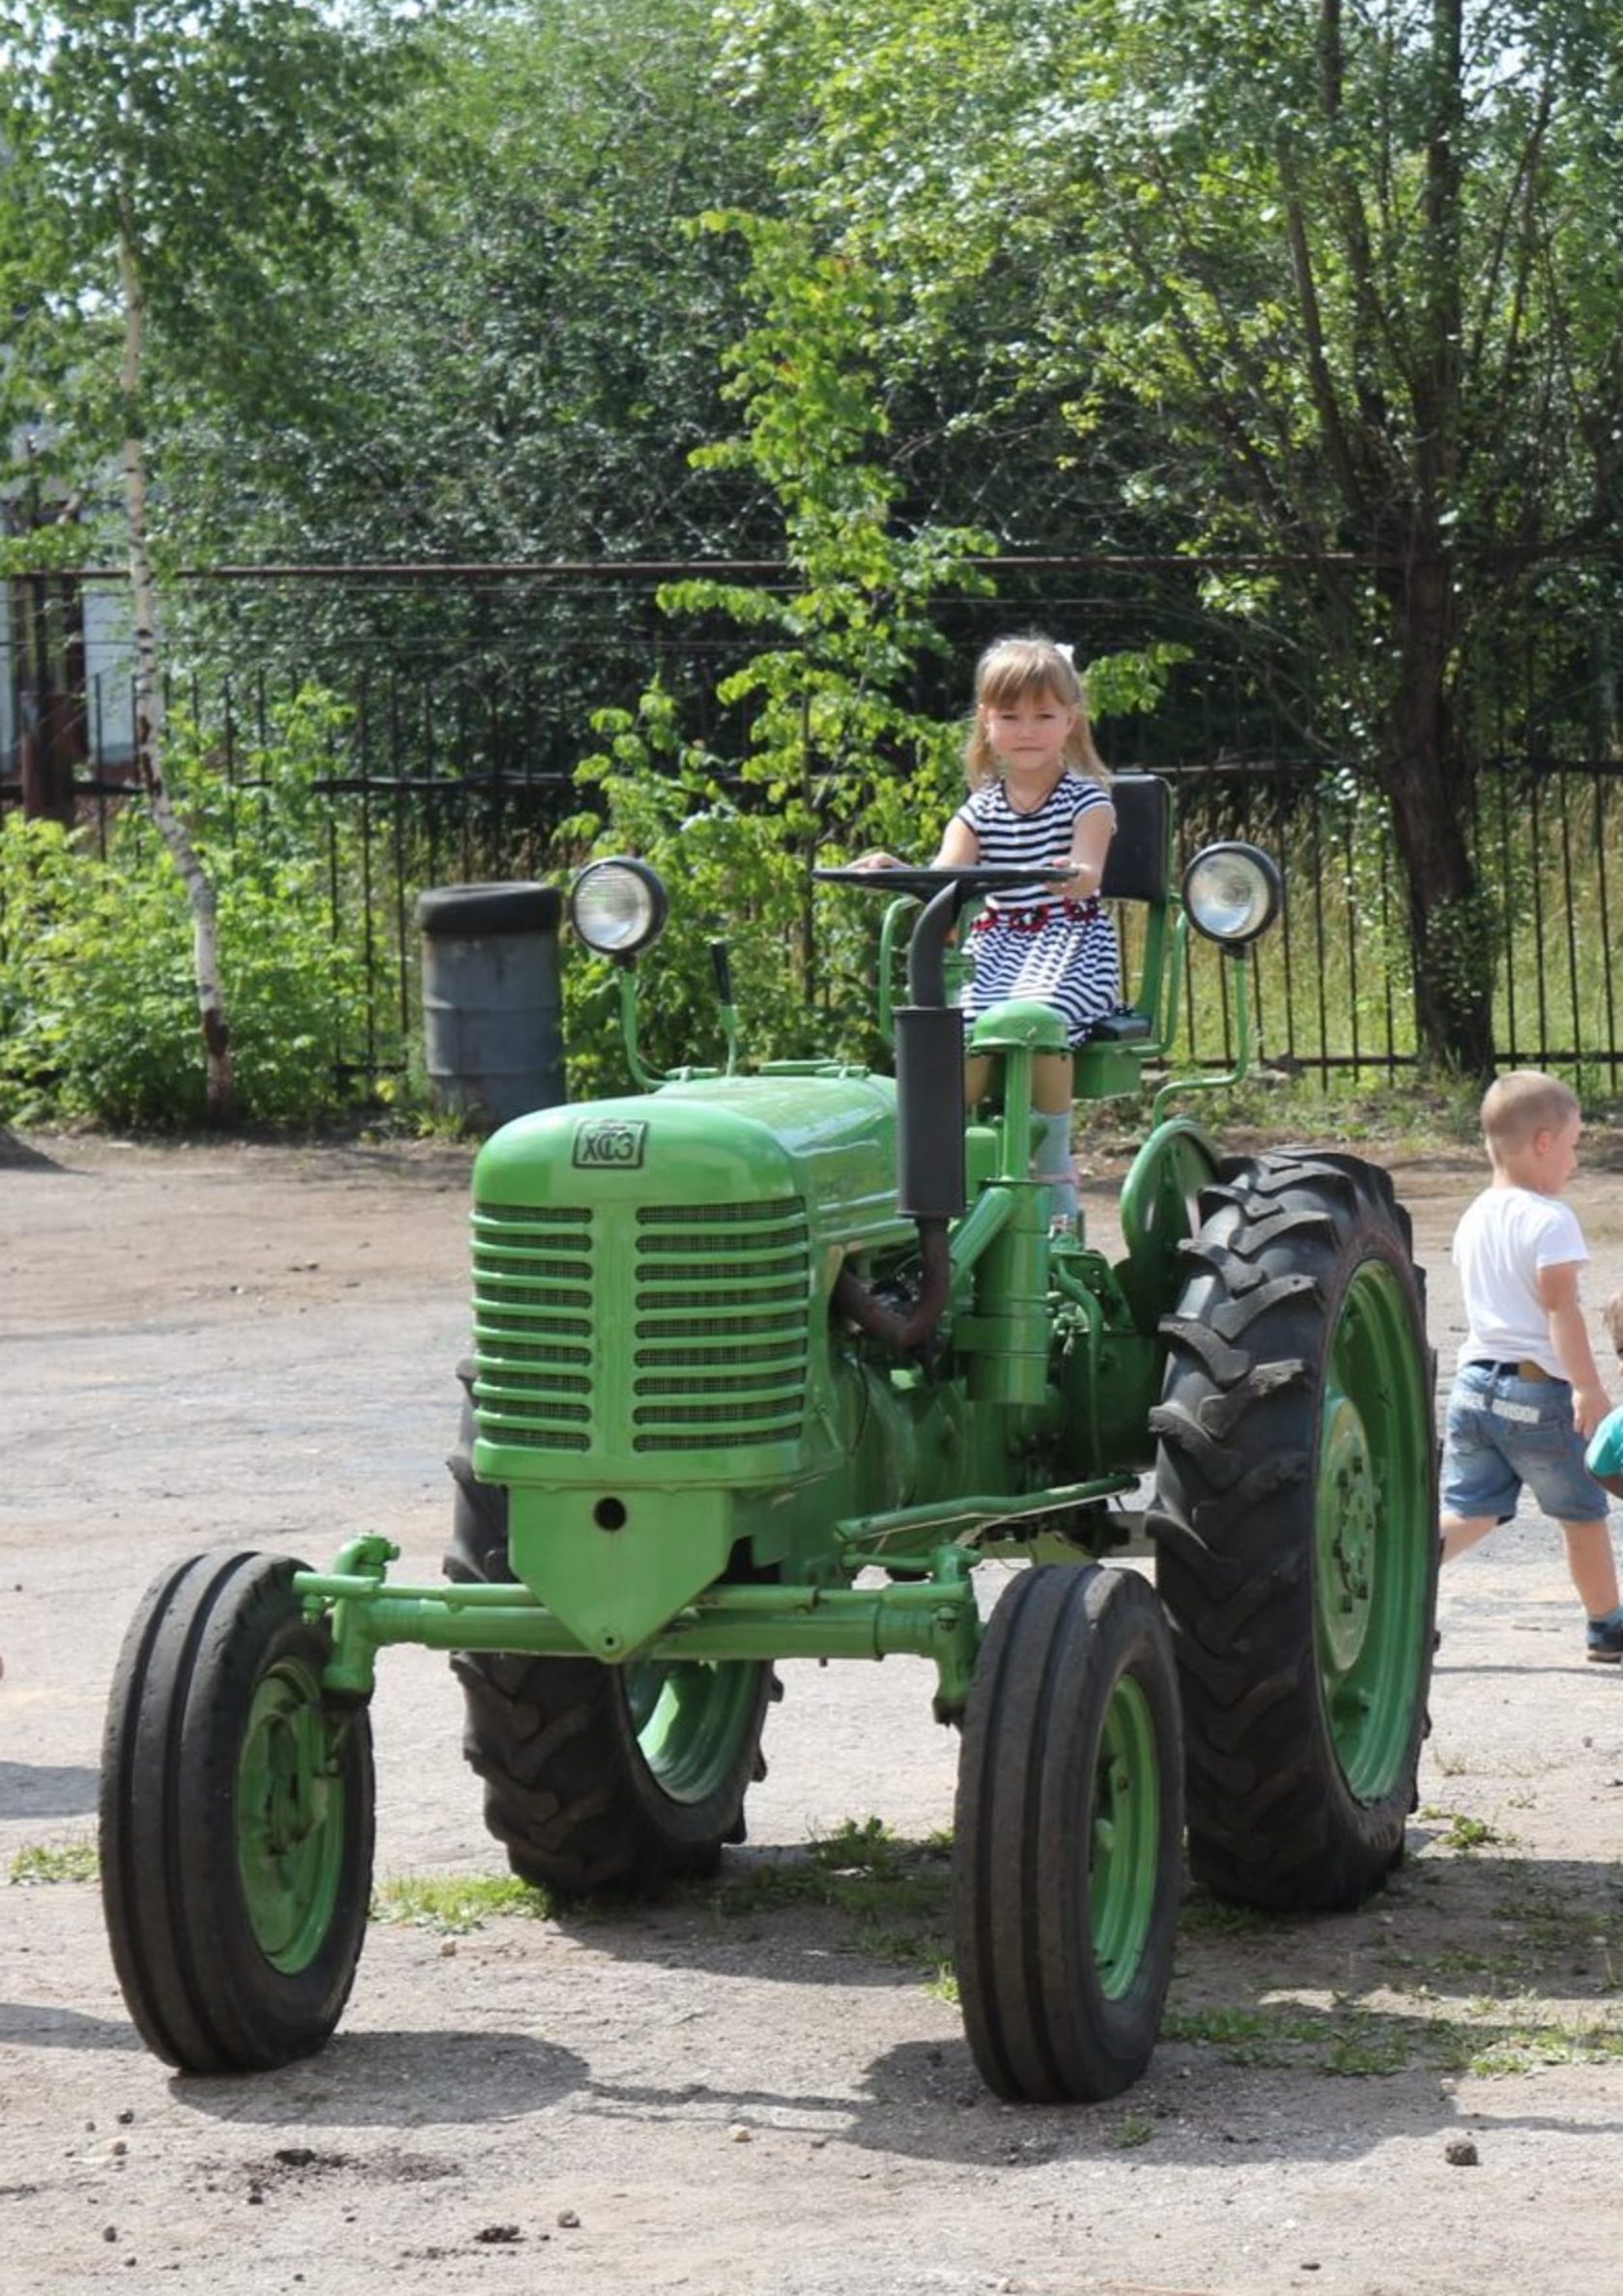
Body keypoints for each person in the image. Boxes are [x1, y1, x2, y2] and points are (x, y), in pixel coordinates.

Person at [856, 635, 1119, 1225]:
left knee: (1037, 1021)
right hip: (997, 949)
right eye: (1011, 716)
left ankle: (1051, 1162)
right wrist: (898, 870)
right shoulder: (978, 810)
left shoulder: (1088, 802)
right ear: (987, 723)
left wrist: (1069, 875)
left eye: (1044, 715)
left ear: (1070, 721)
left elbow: (1088, 872)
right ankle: (959, 1167)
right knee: (966, 1036)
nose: (1027, 729)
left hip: (1066, 942)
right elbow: (946, 874)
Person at [1438, 1070, 1623, 1661]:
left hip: (1473, 1391)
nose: (1573, 1162)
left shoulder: (1474, 1216)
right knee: (1582, 1515)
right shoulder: (1549, 1219)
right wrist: (1589, 1388)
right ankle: (1607, 1626)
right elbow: (1559, 1308)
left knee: (1473, 1511)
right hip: (1537, 1395)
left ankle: (1408, 1593)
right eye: (1572, 1146)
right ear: (1543, 1142)